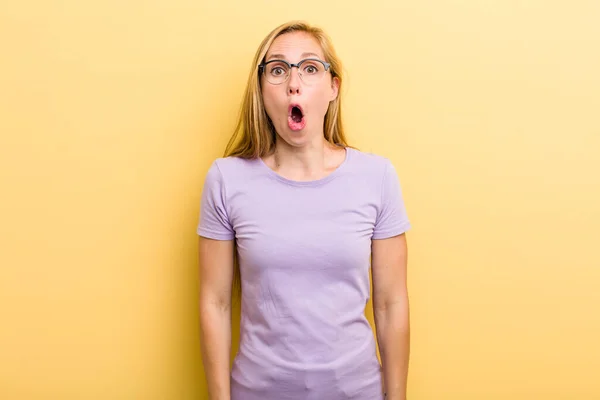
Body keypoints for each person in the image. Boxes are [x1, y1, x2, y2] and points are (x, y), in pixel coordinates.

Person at [197, 20, 411, 400]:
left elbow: (391, 304)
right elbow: (214, 303)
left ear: (333, 88)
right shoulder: (227, 179)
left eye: (310, 68)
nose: (293, 82)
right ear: (262, 91)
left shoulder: (377, 176)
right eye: (277, 70)